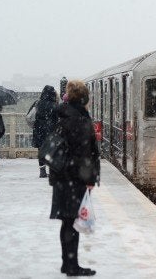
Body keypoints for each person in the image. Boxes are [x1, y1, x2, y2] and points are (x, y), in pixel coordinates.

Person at [49, 80, 99, 276]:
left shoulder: (64, 115)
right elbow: (86, 154)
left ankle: (66, 263)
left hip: (62, 177)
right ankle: (72, 266)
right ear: (84, 98)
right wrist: (90, 179)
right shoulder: (79, 119)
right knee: (73, 224)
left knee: (67, 222)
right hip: (74, 178)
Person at [32, 85, 59, 178]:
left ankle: (42, 171)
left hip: (38, 129)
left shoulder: (37, 103)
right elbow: (58, 119)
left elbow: (31, 116)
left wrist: (37, 124)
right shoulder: (55, 105)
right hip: (51, 130)